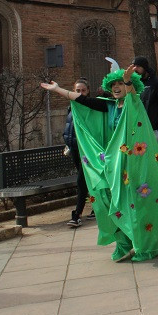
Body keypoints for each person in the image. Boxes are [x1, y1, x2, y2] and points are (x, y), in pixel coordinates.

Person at [41, 64, 158, 262]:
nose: (117, 87)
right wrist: (58, 89)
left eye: (121, 84)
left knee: (135, 202)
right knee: (113, 201)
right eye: (114, 84)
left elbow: (132, 95)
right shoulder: (109, 106)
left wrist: (128, 81)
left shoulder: (133, 103)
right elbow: (84, 100)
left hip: (135, 165)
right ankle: (125, 243)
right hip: (116, 164)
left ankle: (143, 243)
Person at [63, 78, 93, 227]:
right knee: (87, 180)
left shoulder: (90, 107)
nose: (80, 93)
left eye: (83, 90)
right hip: (74, 148)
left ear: (88, 91)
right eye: (77, 90)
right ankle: (96, 205)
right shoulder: (71, 106)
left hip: (87, 151)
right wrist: (67, 143)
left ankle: (77, 215)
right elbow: (69, 127)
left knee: (81, 181)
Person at [132, 56, 158, 160]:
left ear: (145, 67)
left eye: (138, 66)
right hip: (139, 131)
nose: (135, 69)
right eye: (134, 66)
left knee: (155, 161)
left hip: (154, 130)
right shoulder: (135, 85)